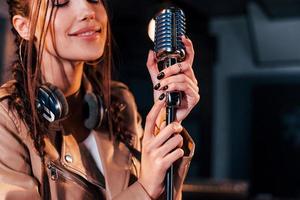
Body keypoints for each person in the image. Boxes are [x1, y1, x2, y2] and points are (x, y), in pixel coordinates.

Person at [0, 0, 199, 199]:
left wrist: (166, 119)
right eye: (60, 2)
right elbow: (146, 191)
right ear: (24, 27)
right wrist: (144, 189)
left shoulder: (119, 103)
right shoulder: (6, 120)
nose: (87, 10)